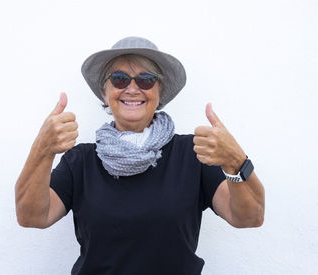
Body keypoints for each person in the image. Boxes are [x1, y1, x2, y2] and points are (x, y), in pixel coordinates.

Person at [15, 36, 265, 275]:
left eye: (146, 79)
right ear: (105, 92)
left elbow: (249, 217)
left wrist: (235, 162)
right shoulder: (81, 161)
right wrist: (42, 149)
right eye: (120, 78)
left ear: (160, 93)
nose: (132, 88)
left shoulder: (192, 154)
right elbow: (31, 216)